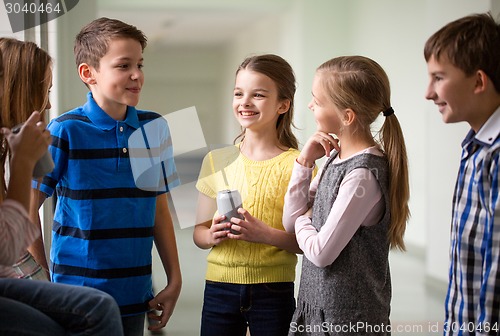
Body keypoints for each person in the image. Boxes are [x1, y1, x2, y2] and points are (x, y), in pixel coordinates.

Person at [30, 18, 182, 336]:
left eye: (139, 64)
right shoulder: (64, 130)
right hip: (76, 295)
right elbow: (29, 210)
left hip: (135, 292)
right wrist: (43, 281)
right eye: (123, 65)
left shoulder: (154, 128)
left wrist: (174, 279)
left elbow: (159, 209)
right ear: (89, 73)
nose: (137, 75)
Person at [0, 38, 124, 336]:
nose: (48, 103)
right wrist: (22, 166)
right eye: (44, 91)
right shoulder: (66, 128)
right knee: (96, 310)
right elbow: (8, 246)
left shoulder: (150, 127)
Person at [283, 55, 410, 335]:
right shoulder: (336, 159)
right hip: (317, 308)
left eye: (317, 100)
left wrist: (306, 216)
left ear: (347, 116)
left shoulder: (362, 175)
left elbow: (320, 252)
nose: (309, 104)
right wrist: (304, 162)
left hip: (345, 319)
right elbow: (290, 222)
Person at [193, 54, 303, 336]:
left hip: (274, 290)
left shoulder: (299, 165)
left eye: (258, 95)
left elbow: (309, 244)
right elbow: (199, 233)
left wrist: (264, 234)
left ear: (283, 104)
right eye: (239, 93)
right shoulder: (215, 160)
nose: (245, 102)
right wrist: (211, 235)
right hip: (218, 288)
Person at [424, 13, 500, 335]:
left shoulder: (495, 155)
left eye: (439, 78)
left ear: (479, 82)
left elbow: (496, 273)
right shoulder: (475, 146)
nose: (428, 93)